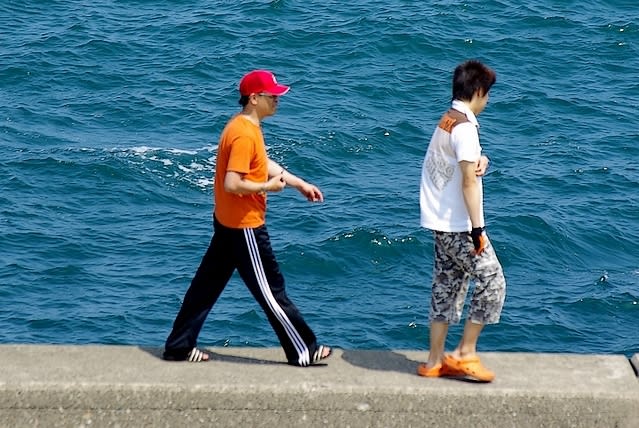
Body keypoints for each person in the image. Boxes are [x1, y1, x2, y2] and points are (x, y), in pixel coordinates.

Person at [163, 70, 332, 366]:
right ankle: (304, 349)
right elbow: (233, 183)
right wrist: (268, 187)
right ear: (254, 98)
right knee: (271, 290)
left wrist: (298, 183)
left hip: (228, 223)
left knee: (205, 288)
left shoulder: (244, 126)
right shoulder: (243, 134)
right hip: (244, 227)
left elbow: (261, 162)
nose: (278, 100)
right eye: (272, 96)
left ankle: (179, 346)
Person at [416, 60, 506, 382]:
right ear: (478, 91)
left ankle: (434, 361)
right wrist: (478, 229)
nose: (488, 101)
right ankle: (465, 353)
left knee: (447, 287)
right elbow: (469, 182)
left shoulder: (449, 119)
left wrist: (480, 158)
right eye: (488, 94)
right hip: (458, 225)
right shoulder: (466, 128)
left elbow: (452, 161)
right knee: (493, 282)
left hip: (439, 219)